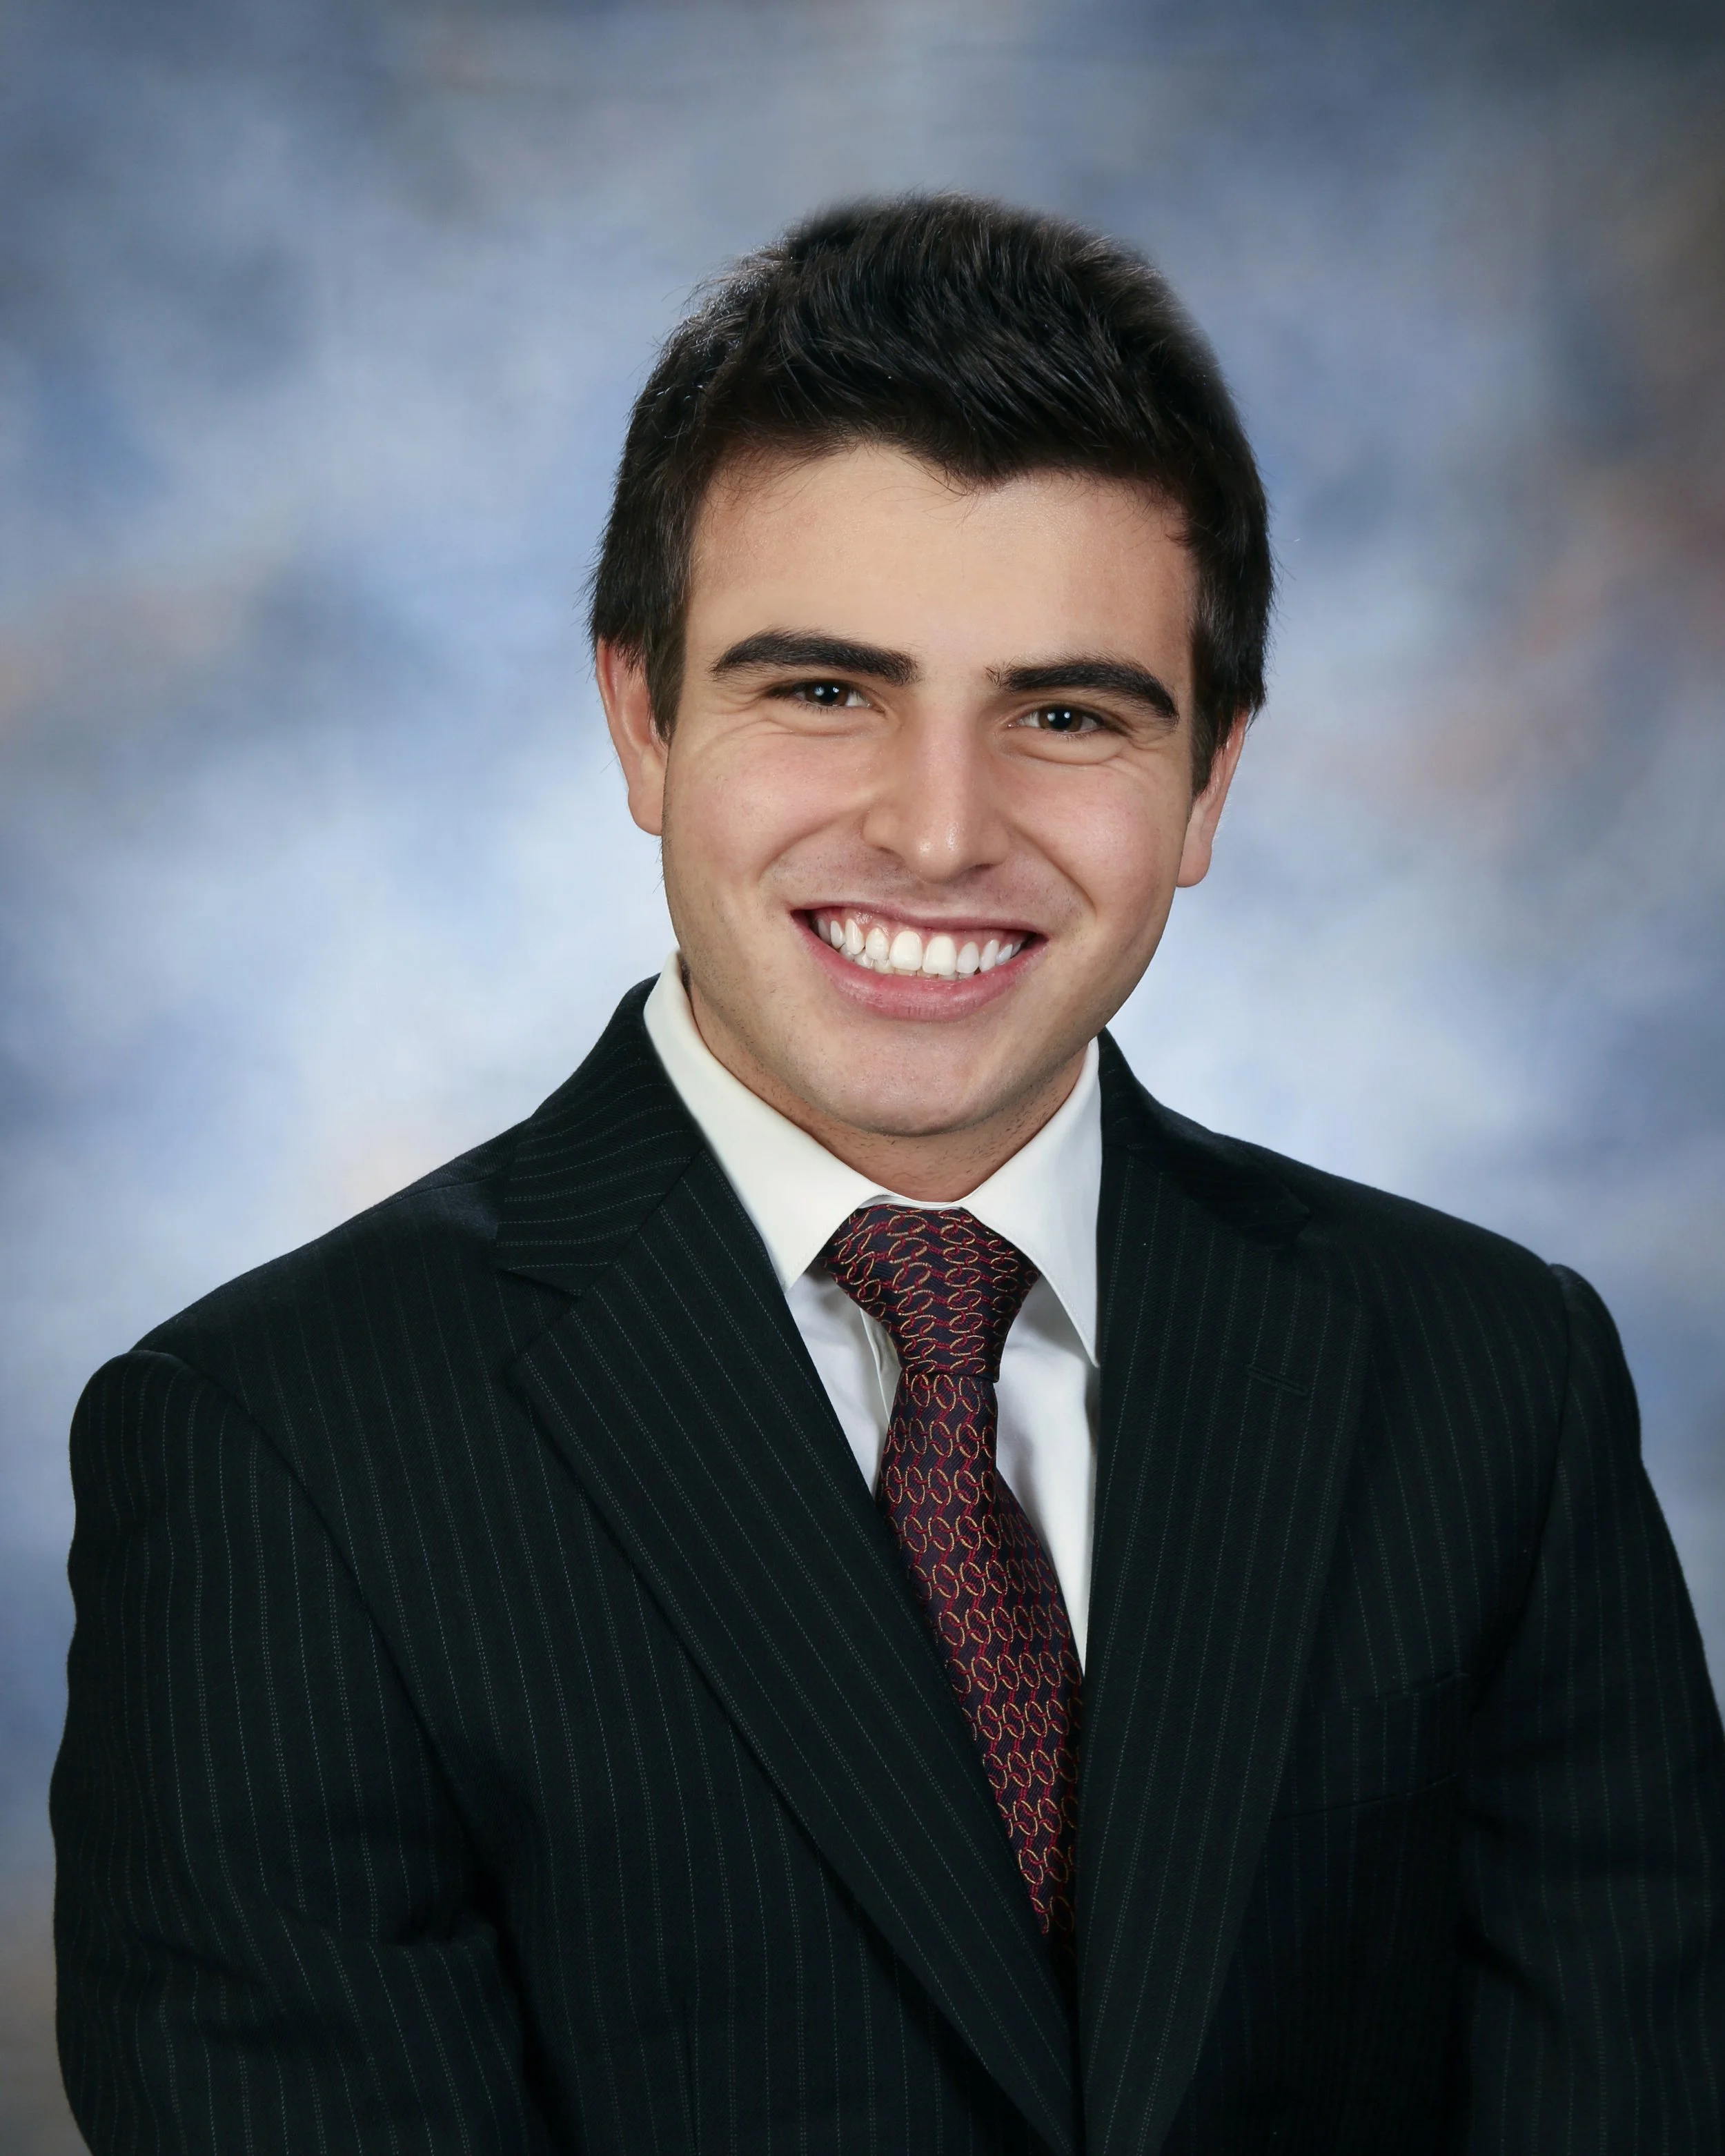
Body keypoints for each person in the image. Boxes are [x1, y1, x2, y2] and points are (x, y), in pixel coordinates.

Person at [52, 195, 1724, 2156]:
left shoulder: (1492, 1379)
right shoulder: (273, 1448)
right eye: (826, 691)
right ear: (642, 720)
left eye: (1066, 714)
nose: (941, 833)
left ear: (1209, 782)